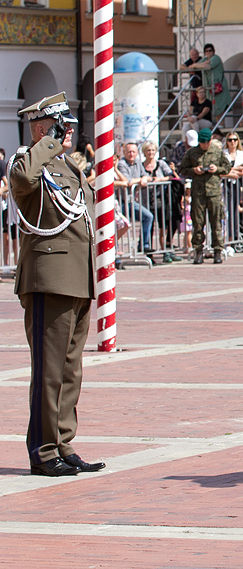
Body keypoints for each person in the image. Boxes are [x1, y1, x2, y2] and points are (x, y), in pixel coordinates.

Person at [8, 92, 105, 477]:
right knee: (49, 371)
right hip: (48, 279)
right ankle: (43, 451)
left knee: (70, 370)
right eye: (60, 127)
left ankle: (62, 443)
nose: (68, 134)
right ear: (42, 128)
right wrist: (47, 142)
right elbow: (21, 180)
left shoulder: (67, 167)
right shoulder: (29, 161)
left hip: (77, 279)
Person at [179, 127, 232, 264]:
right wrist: (194, 170)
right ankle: (198, 251)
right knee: (198, 223)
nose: (205, 145)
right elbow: (182, 169)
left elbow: (227, 167)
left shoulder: (217, 151)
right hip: (198, 192)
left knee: (216, 222)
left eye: (207, 142)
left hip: (213, 192)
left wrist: (217, 169)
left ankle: (217, 251)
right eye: (203, 142)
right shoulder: (192, 153)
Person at [116, 141, 155, 255]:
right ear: (124, 153)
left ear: (137, 153)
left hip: (131, 201)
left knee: (148, 216)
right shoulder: (121, 164)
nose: (131, 154)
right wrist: (140, 180)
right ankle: (115, 252)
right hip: (120, 202)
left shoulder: (138, 163)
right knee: (119, 226)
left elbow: (147, 176)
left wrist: (145, 178)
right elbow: (127, 181)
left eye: (133, 152)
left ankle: (144, 245)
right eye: (129, 152)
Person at [188, 43, 229, 121]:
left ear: (213, 51)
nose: (208, 52)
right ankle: (216, 125)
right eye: (206, 51)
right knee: (213, 106)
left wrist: (200, 65)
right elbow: (193, 65)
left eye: (210, 50)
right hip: (210, 87)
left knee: (219, 106)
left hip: (218, 86)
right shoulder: (205, 59)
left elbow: (208, 66)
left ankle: (220, 125)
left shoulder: (216, 58)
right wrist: (201, 64)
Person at [222, 131, 243, 244]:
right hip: (224, 184)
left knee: (235, 209)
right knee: (226, 209)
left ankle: (236, 234)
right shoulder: (223, 154)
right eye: (230, 140)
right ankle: (228, 235)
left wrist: (231, 170)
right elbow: (222, 170)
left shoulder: (241, 154)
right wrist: (233, 170)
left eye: (234, 140)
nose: (232, 142)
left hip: (237, 183)